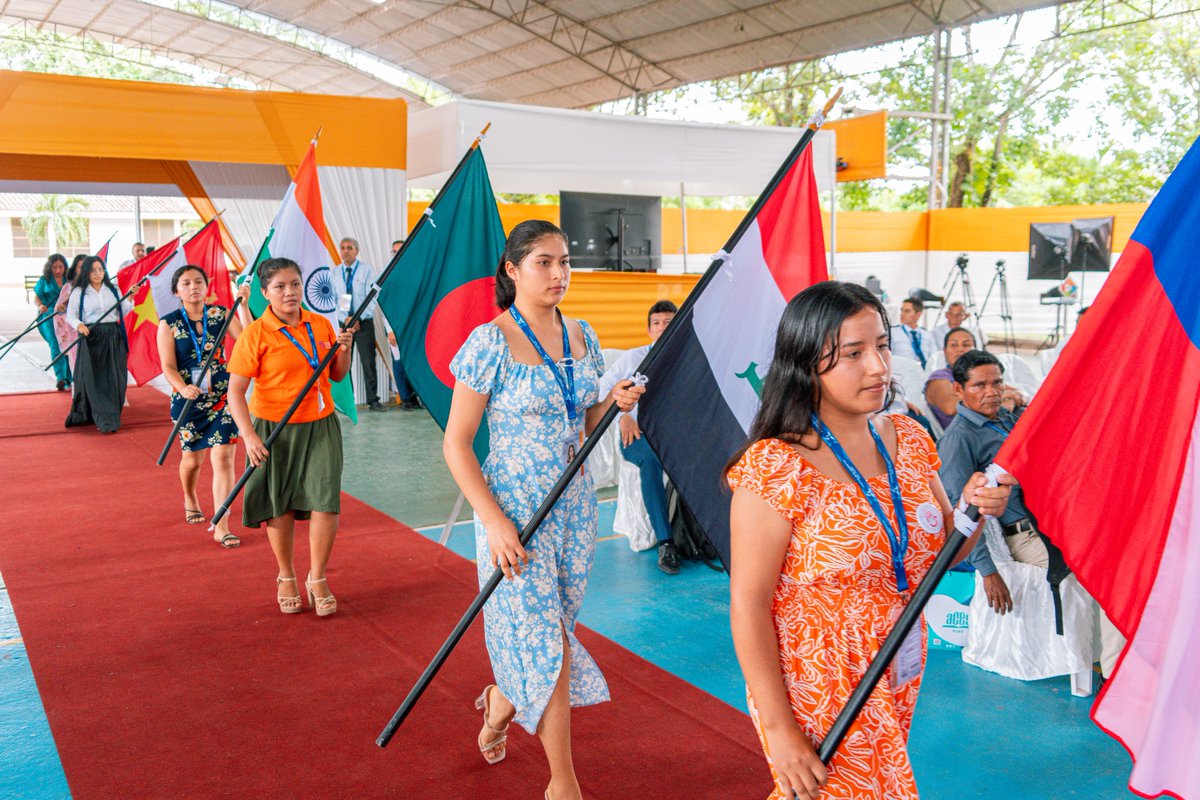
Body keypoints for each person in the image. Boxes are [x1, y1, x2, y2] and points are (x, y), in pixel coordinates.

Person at [725, 282, 1012, 800]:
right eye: (853, 354)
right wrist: (780, 730)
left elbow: (943, 552)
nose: (879, 367)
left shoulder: (910, 440)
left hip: (897, 662)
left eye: (881, 346)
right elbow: (748, 604)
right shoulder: (776, 466)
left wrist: (974, 511)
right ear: (807, 363)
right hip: (821, 678)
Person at [443, 220, 643, 800]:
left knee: (550, 631)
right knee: (547, 643)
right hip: (514, 513)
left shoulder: (583, 334)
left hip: (576, 507)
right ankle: (563, 782)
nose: (559, 274)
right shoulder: (490, 342)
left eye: (564, 262)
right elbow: (457, 444)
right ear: (512, 270)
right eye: (544, 263)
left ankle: (500, 702)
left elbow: (583, 424)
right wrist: (495, 522)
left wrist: (615, 399)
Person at [226, 257, 357, 616]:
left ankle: (318, 577)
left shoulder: (320, 324)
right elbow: (235, 392)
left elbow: (337, 375)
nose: (290, 292)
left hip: (320, 424)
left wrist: (345, 348)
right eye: (280, 286)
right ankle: (286, 575)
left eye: (295, 284)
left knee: (324, 499)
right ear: (265, 293)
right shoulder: (255, 334)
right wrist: (249, 436)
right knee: (278, 502)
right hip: (273, 429)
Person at [157, 264, 248, 547]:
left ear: (207, 286)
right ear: (176, 291)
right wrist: (182, 388)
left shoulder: (221, 313)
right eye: (186, 283)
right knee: (192, 460)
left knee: (223, 458)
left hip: (223, 395)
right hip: (189, 399)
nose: (193, 287)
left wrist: (242, 306)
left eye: (198, 281)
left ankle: (222, 523)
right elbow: (168, 366)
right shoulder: (169, 323)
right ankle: (190, 496)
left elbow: (246, 342)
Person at [597, 299, 679, 573]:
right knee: (651, 462)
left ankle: (706, 537)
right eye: (656, 323)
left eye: (668, 322)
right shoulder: (633, 358)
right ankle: (666, 543)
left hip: (674, 433)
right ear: (649, 330)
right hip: (639, 432)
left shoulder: (688, 361)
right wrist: (624, 416)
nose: (661, 327)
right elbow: (602, 390)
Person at [64, 256, 131, 433]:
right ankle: (99, 415)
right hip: (91, 336)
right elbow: (70, 315)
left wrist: (131, 296)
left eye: (100, 269)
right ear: (86, 271)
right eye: (93, 270)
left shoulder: (113, 289)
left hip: (112, 336)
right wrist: (79, 325)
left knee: (114, 376)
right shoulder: (79, 291)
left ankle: (111, 414)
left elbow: (124, 311)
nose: (98, 273)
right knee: (94, 378)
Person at [330, 237, 390, 412]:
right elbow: (334, 300)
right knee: (343, 362)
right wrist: (346, 318)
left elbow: (372, 297)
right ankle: (347, 401)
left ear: (356, 251)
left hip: (364, 323)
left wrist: (357, 318)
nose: (346, 251)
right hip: (344, 323)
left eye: (349, 248)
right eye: (343, 248)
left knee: (368, 362)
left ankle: (373, 400)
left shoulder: (367, 270)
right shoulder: (335, 273)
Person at [33, 253, 72, 390]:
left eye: (60, 267)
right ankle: (60, 377)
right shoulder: (45, 280)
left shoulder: (70, 280)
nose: (57, 270)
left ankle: (69, 376)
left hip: (66, 317)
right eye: (54, 267)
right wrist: (40, 306)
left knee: (68, 345)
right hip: (49, 317)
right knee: (55, 345)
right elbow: (37, 298)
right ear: (49, 268)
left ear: (65, 267)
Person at [53, 255, 87, 371]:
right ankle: (78, 388)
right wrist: (62, 308)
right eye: (80, 267)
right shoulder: (68, 287)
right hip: (75, 331)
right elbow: (59, 311)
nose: (83, 271)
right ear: (75, 269)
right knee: (77, 364)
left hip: (94, 331)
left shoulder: (98, 287)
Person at [889, 296, 936, 369]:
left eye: (907, 311)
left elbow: (934, 358)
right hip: (901, 375)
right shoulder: (892, 332)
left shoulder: (928, 335)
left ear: (918, 314)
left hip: (924, 374)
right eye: (902, 310)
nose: (902, 314)